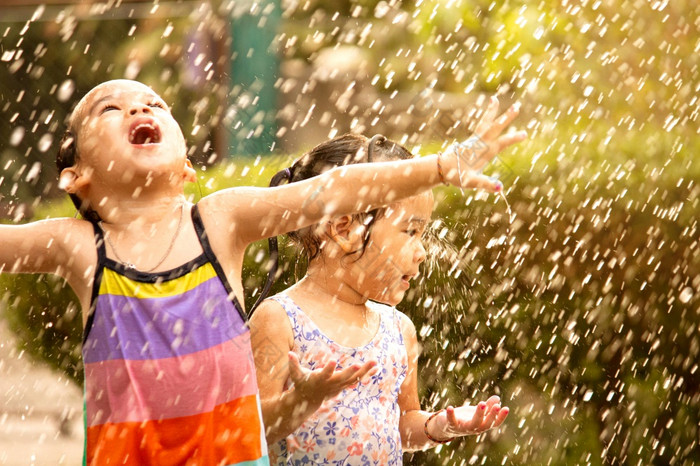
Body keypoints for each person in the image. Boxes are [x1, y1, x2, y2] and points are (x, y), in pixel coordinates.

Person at [0, 80, 523, 465]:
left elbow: (330, 191)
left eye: (154, 103)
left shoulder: (219, 221)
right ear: (77, 176)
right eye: (109, 108)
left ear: (186, 167)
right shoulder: (77, 247)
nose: (137, 107)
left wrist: (439, 166)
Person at [250, 125, 522, 464]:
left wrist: (438, 426)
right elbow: (250, 431)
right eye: (410, 230)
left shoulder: (399, 330)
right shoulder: (279, 319)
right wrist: (300, 402)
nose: (422, 251)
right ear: (344, 228)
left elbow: (402, 424)